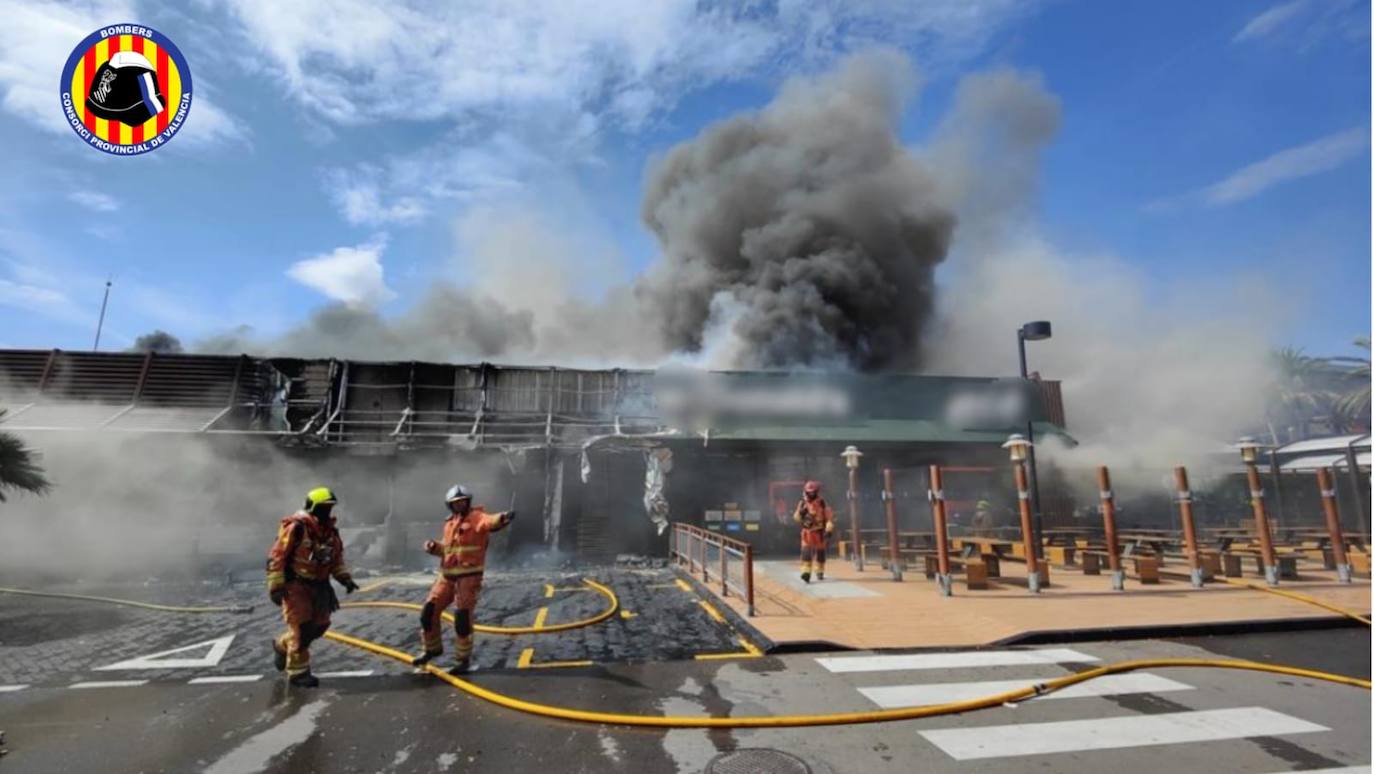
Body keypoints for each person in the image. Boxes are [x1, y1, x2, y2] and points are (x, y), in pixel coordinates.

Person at [412, 485, 515, 674]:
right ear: (450, 506)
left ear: (468, 502)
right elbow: (448, 550)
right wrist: (434, 547)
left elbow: (490, 522)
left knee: (462, 619)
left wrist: (503, 518)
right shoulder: (450, 523)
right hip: (447, 576)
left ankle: (462, 659)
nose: (460, 505)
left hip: (468, 578)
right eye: (455, 503)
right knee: (428, 612)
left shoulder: (477, 518)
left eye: (463, 501)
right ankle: (431, 649)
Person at [267, 486, 359, 687]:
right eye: (323, 507)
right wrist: (276, 586)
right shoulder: (296, 527)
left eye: (330, 507)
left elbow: (336, 560)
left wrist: (345, 579)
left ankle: (282, 646)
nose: (327, 512)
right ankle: (298, 673)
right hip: (296, 586)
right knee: (302, 627)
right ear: (312, 507)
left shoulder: (330, 533)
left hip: (320, 587)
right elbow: (277, 556)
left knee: (320, 626)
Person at [794, 480, 834, 583]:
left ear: (816, 491)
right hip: (807, 533)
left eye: (813, 491)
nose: (811, 493)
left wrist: (829, 529)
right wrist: (801, 513)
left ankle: (819, 571)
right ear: (806, 492)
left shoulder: (822, 502)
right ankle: (806, 573)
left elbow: (828, 517)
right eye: (809, 492)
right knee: (806, 553)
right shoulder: (802, 503)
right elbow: (796, 518)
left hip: (819, 533)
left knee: (820, 554)